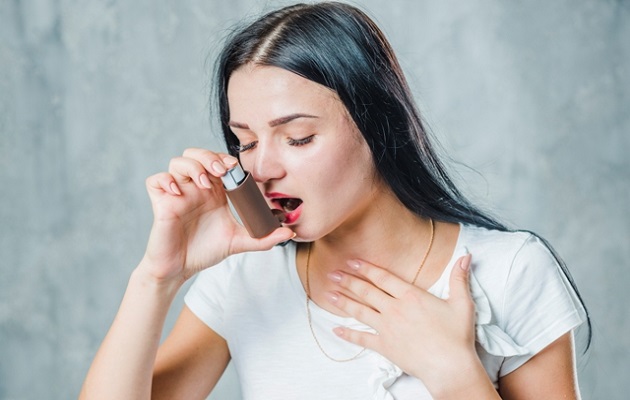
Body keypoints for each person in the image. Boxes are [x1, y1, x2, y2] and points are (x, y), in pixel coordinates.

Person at [80, 2, 589, 399]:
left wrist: (454, 373)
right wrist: (157, 276)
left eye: (297, 137)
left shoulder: (510, 271)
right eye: (246, 141)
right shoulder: (246, 276)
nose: (260, 168)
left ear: (378, 124)